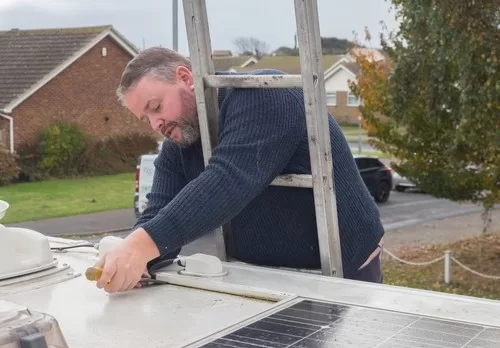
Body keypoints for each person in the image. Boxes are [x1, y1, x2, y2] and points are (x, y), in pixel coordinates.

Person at [94, 46, 385, 293]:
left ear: (185, 78)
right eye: (146, 119)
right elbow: (158, 212)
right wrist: (133, 259)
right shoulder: (179, 143)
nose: (156, 124)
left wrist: (141, 246)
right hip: (262, 277)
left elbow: (229, 179)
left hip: (344, 270)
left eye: (156, 106)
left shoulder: (265, 95)